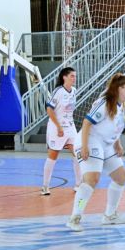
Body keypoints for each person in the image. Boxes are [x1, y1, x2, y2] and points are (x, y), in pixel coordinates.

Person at [67, 73, 125, 232]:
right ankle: (75, 217)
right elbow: (86, 123)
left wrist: (118, 144)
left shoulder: (122, 105)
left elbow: (115, 126)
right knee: (91, 179)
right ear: (120, 89)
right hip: (90, 140)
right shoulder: (105, 103)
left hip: (106, 144)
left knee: (121, 176)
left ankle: (109, 215)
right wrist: (84, 147)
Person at [41, 67, 81, 195]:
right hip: (56, 127)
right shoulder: (58, 91)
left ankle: (79, 185)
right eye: (72, 76)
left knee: (77, 154)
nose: (74, 78)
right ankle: (45, 186)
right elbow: (49, 110)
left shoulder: (74, 91)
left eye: (75, 76)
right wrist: (58, 127)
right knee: (53, 156)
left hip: (70, 127)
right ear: (64, 77)